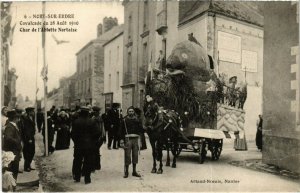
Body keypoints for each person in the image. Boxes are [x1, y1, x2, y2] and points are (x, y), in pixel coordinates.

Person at [71, 106, 100, 184]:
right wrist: (93, 141)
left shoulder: (76, 122)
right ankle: (87, 178)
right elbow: (97, 133)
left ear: (80, 112)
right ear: (88, 113)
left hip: (78, 145)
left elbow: (72, 134)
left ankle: (77, 177)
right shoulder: (92, 121)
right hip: (89, 145)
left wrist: (76, 142)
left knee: (77, 160)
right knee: (88, 161)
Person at [120, 106, 144, 178]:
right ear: (127, 112)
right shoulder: (124, 120)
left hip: (135, 139)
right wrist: (121, 140)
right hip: (128, 139)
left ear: (134, 112)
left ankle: (134, 171)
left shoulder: (137, 120)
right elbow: (121, 131)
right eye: (129, 111)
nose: (131, 112)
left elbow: (141, 130)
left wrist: (141, 140)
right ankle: (126, 171)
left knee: (135, 155)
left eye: (132, 111)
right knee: (127, 155)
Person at [2, 109, 22, 181]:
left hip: (14, 152)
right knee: (13, 171)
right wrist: (17, 141)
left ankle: (12, 186)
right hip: (12, 152)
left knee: (14, 171)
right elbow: (8, 138)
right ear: (15, 118)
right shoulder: (10, 127)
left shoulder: (13, 125)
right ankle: (11, 188)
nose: (18, 119)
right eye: (17, 118)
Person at [20, 107, 36, 172]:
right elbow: (27, 130)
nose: (33, 112)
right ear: (29, 112)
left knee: (32, 151)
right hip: (28, 138)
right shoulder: (26, 119)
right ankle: (26, 167)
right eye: (32, 111)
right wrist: (29, 138)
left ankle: (28, 165)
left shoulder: (31, 117)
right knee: (28, 152)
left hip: (31, 137)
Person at [91, 106, 105, 171]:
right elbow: (103, 128)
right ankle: (97, 165)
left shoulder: (93, 119)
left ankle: (94, 166)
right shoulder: (100, 118)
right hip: (100, 137)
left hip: (96, 137)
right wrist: (103, 136)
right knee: (96, 151)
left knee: (94, 151)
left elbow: (101, 128)